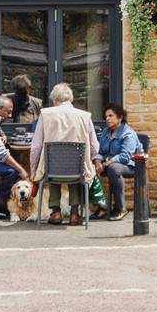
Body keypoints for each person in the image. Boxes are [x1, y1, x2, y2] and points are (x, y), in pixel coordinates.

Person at [30, 83, 100, 224]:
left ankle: (56, 213)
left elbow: (36, 146)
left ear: (54, 99)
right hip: (77, 168)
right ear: (71, 99)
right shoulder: (84, 116)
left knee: (53, 167)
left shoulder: (45, 114)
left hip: (52, 169)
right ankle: (74, 214)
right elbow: (94, 144)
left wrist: (33, 170)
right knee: (75, 167)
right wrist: (94, 159)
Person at [96, 103, 142, 221]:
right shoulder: (106, 132)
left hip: (131, 165)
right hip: (110, 164)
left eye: (111, 116)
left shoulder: (128, 133)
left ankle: (120, 208)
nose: (107, 119)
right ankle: (100, 206)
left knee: (114, 169)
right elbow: (100, 151)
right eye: (106, 116)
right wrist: (97, 161)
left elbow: (125, 156)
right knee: (87, 167)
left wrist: (107, 162)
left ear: (120, 117)